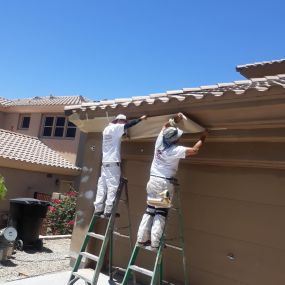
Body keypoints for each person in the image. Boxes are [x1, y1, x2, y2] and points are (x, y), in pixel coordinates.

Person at [137, 112, 207, 250]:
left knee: (150, 210)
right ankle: (155, 243)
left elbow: (165, 125)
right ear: (174, 140)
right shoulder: (174, 150)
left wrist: (176, 120)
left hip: (152, 182)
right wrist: (203, 137)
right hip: (164, 184)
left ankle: (141, 239)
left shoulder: (159, 141)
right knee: (161, 212)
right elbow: (194, 150)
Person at [94, 114, 146, 217]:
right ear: (121, 121)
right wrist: (140, 119)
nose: (124, 124)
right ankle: (108, 211)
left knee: (102, 186)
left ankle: (98, 209)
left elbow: (118, 136)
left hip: (105, 163)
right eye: (124, 122)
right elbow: (129, 125)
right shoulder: (117, 127)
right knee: (112, 186)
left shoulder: (106, 129)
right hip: (113, 163)